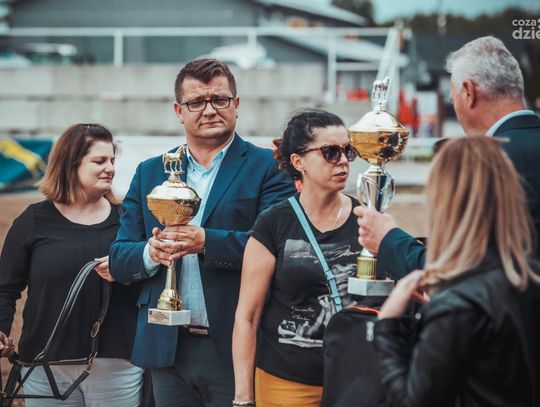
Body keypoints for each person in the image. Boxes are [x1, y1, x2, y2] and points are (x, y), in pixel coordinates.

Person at [109, 58, 296, 407]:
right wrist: (152, 253)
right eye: (196, 102)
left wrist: (207, 241)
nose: (209, 110)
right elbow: (120, 258)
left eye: (219, 99)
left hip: (235, 343)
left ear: (236, 104)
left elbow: (280, 247)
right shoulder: (150, 171)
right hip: (166, 346)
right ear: (179, 111)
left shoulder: (270, 168)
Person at [372, 136, 540, 406]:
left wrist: (388, 325)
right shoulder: (528, 276)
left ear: (445, 201)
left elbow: (414, 401)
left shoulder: (458, 305)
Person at [355, 36, 540, 277]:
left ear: (469, 92)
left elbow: (458, 270)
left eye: (453, 101)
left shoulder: (485, 162)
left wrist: (388, 238)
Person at [233, 110, 369, 407]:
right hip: (286, 383)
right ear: (298, 162)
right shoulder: (273, 223)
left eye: (348, 150)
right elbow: (247, 317)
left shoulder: (368, 218)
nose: (343, 160)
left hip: (355, 379)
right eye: (330, 152)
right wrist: (243, 398)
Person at [0, 124, 142, 406]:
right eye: (99, 161)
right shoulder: (33, 220)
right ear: (70, 164)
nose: (110, 169)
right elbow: (5, 288)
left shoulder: (129, 219)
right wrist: (1, 330)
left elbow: (150, 280)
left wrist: (125, 273)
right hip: (44, 366)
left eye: (112, 160)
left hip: (118, 366)